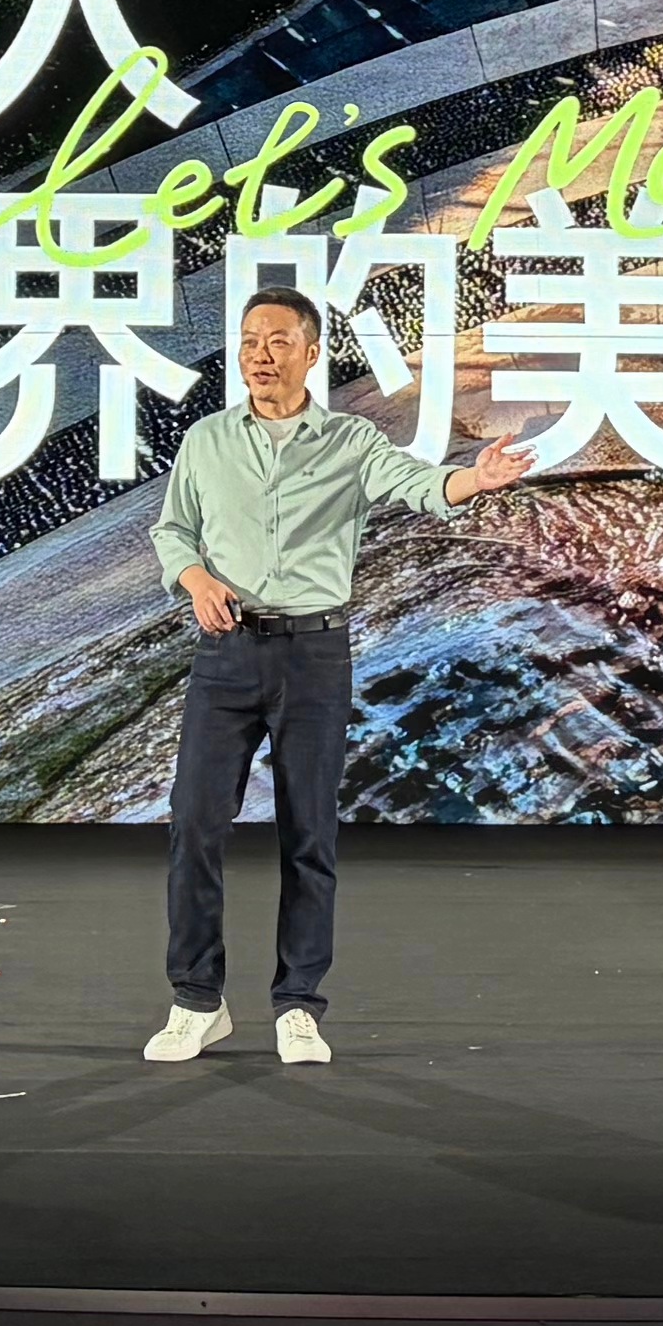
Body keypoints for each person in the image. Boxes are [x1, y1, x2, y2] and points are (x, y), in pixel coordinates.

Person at [143, 286, 541, 1063]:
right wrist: (194, 579)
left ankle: (298, 1005)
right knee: (194, 824)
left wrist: (474, 478)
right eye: (250, 341)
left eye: (278, 342)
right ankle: (196, 999)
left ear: (311, 352)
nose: (260, 355)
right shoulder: (207, 440)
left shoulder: (350, 441)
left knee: (309, 834)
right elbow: (173, 530)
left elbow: (419, 484)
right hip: (226, 655)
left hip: (314, 656)